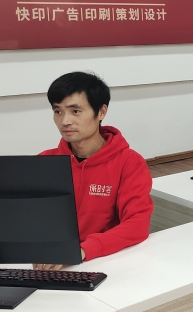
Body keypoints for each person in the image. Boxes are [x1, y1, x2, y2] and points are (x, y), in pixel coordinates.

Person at [39, 72, 153, 266]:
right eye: (58, 111)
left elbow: (138, 223)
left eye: (75, 111)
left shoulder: (129, 162)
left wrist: (83, 250)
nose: (65, 121)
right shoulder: (44, 162)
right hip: (49, 261)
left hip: (104, 260)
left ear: (101, 112)